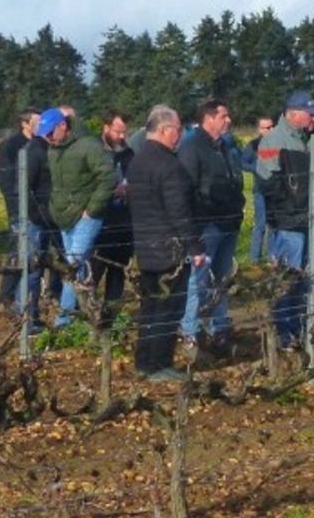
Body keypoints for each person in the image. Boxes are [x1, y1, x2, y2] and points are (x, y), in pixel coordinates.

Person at [128, 105, 203, 383]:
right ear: (163, 130)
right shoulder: (169, 166)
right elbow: (179, 212)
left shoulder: (138, 162)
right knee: (169, 308)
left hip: (145, 246)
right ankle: (159, 364)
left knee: (149, 306)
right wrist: (194, 247)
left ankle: (144, 361)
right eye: (177, 129)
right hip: (168, 249)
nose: (180, 135)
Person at [178, 99, 245, 356]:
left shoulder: (227, 146)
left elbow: (235, 178)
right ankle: (191, 333)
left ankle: (220, 329)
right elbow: (188, 190)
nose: (229, 121)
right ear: (209, 119)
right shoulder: (192, 147)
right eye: (224, 116)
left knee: (222, 279)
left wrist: (237, 206)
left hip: (229, 222)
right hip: (207, 226)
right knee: (199, 281)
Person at [256, 90, 314, 351]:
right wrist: (291, 208)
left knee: (304, 279)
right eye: (310, 114)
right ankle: (285, 331)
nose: (313, 119)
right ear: (295, 113)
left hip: (308, 221)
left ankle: (301, 327)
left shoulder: (305, 140)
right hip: (288, 224)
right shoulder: (274, 140)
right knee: (287, 278)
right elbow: (268, 182)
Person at [42, 107, 114, 328]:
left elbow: (108, 177)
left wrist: (91, 210)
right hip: (64, 217)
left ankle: (63, 320)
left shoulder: (89, 146)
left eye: (49, 132)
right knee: (77, 268)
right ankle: (87, 313)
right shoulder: (53, 150)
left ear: (63, 126)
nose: (47, 138)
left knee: (71, 266)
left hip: (86, 217)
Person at [0, 109, 39, 314]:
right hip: (18, 208)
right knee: (17, 249)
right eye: (37, 121)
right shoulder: (10, 146)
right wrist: (15, 205)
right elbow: (4, 179)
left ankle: (34, 296)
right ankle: (7, 294)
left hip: (39, 208)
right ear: (25, 123)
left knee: (36, 254)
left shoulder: (41, 144)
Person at [92, 109, 134, 311]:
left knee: (118, 271)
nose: (122, 136)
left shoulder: (128, 153)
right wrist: (111, 190)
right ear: (106, 127)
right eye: (118, 131)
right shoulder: (93, 152)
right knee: (94, 271)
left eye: (124, 131)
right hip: (100, 222)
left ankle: (111, 315)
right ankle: (84, 317)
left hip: (124, 222)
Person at [242, 116, 274, 265]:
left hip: (277, 191)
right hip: (260, 190)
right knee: (260, 224)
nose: (271, 130)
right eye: (267, 127)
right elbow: (242, 162)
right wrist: (256, 169)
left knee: (274, 224)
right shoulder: (253, 145)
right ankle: (255, 259)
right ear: (260, 129)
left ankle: (272, 257)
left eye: (272, 126)